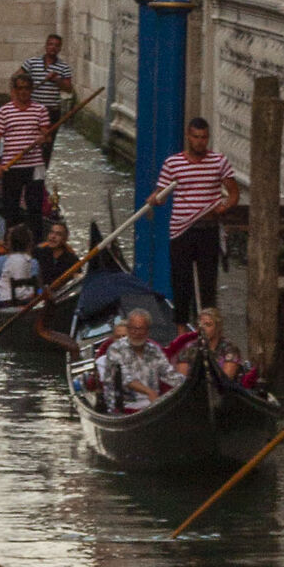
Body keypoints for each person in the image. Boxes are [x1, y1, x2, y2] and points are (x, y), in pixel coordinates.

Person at [151, 118, 239, 328]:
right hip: (181, 230)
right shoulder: (173, 163)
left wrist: (224, 207)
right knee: (181, 283)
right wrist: (154, 198)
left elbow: (234, 194)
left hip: (208, 230)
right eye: (196, 137)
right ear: (189, 137)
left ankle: (208, 330)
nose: (200, 142)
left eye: (204, 138)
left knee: (208, 283)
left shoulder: (219, 162)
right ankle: (181, 331)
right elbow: (161, 193)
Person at [0, 69, 52, 243]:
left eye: (27, 88)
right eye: (20, 88)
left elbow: (47, 136)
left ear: (31, 90)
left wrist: (43, 138)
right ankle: (11, 243)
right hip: (12, 165)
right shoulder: (4, 111)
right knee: (11, 208)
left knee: (35, 208)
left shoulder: (40, 110)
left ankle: (37, 244)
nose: (23, 91)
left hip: (35, 165)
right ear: (15, 90)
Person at [105, 308, 181, 408]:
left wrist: (187, 384)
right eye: (132, 328)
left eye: (141, 329)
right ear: (128, 329)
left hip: (152, 403)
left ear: (148, 331)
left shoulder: (155, 350)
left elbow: (169, 374)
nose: (136, 333)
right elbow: (125, 378)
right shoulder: (115, 349)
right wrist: (149, 392)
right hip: (123, 405)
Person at [18, 32, 74, 157]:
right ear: (46, 46)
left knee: (47, 144)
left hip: (51, 111)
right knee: (30, 140)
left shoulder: (64, 67)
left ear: (59, 49)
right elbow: (16, 78)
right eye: (50, 44)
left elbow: (69, 89)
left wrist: (56, 80)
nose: (53, 47)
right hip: (33, 110)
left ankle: (42, 172)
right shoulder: (31, 63)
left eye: (56, 45)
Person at [0, 223, 42, 307]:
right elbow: (37, 288)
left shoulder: (11, 261)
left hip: (7, 301)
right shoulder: (30, 261)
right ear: (29, 243)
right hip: (17, 302)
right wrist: (40, 293)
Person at [34, 218, 81, 294]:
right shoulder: (38, 252)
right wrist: (40, 292)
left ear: (65, 239)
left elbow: (77, 279)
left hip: (61, 295)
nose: (53, 236)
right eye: (51, 233)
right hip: (39, 294)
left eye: (58, 234)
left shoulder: (71, 259)